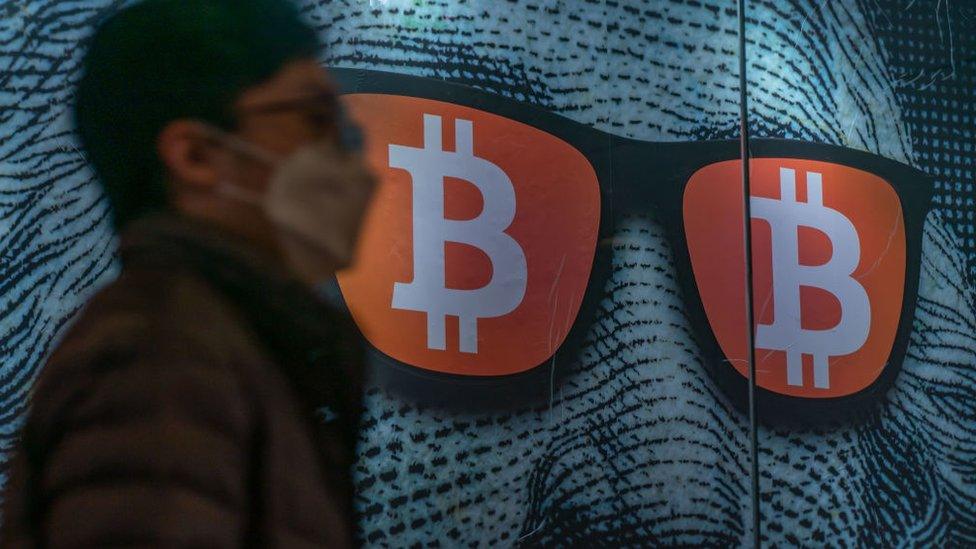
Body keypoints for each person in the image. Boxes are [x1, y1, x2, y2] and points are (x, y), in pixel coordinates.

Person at [0, 0, 376, 546]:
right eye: (314, 118)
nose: (350, 156)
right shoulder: (163, 353)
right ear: (196, 155)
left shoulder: (231, 344)